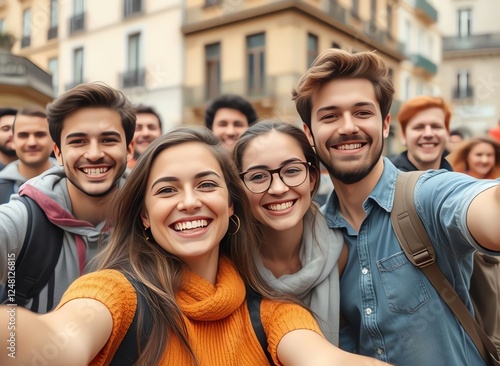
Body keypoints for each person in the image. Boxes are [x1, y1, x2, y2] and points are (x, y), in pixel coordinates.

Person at [0, 127, 391, 366]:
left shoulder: (273, 314)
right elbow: (54, 344)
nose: (189, 201)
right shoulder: (113, 292)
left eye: (206, 184)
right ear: (145, 216)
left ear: (231, 205)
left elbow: (325, 359)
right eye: (167, 190)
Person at [292, 48, 500, 365]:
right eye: (330, 116)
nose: (348, 127)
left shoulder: (426, 194)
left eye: (362, 112)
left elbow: (484, 206)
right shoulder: (315, 234)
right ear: (309, 134)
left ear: (385, 125)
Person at [0, 83, 135, 313]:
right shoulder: (24, 219)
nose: (94, 154)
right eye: (78, 141)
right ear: (59, 152)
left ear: (129, 149)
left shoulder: (150, 217)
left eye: (108, 140)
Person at [233, 120, 346, 345]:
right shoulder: (226, 262)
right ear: (239, 188)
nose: (278, 188)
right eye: (258, 176)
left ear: (312, 178)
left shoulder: (342, 254)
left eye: (292, 170)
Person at [446, 135, 500, 349]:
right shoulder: (456, 184)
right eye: (479, 154)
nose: (484, 160)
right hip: (476, 261)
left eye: (489, 155)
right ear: (468, 158)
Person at [0, 108, 57, 204]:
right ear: (13, 141)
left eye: (40, 134)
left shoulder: (73, 181)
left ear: (53, 140)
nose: (32, 143)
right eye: (23, 135)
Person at [389, 95, 453, 171]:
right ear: (403, 135)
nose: (428, 134)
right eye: (418, 127)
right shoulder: (385, 180)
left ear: (447, 133)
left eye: (436, 126)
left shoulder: (459, 180)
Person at [127, 104, 163, 169]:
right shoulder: (119, 174)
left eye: (152, 128)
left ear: (161, 133)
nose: (145, 133)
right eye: (137, 128)